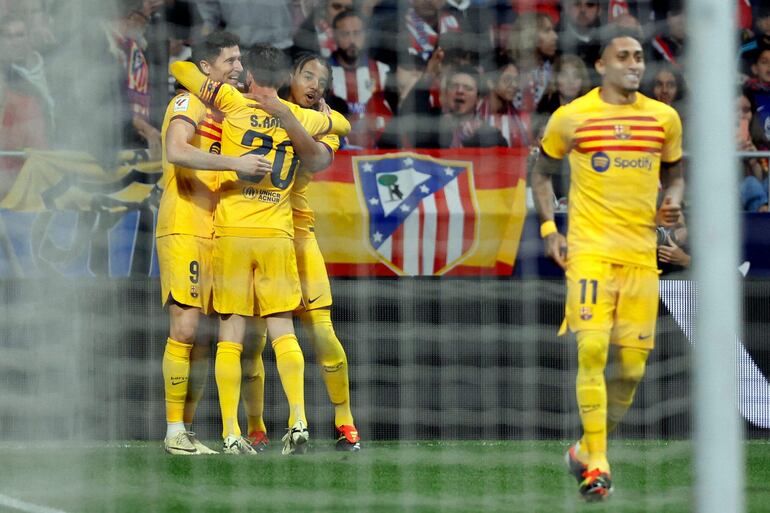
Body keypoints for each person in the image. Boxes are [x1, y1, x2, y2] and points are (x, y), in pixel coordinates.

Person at [170, 45, 351, 455]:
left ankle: (231, 432)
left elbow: (180, 68)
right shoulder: (300, 116)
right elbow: (342, 123)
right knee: (284, 331)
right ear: (285, 78)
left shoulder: (233, 102)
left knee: (230, 336)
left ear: (248, 75)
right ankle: (299, 421)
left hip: (232, 232)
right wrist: (319, 115)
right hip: (278, 234)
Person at [530, 27, 684, 500]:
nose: (635, 64)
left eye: (639, 56)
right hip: (590, 253)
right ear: (601, 65)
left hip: (640, 257)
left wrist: (673, 201)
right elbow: (541, 173)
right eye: (624, 56)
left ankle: (585, 447)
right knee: (593, 349)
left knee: (631, 371)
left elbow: (675, 173)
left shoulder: (663, 118)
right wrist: (549, 229)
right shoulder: (572, 117)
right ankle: (598, 464)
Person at [158, 31, 272, 456]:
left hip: (219, 230)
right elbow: (176, 150)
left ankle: (186, 431)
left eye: (240, 60)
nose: (238, 67)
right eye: (230, 60)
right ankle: (173, 430)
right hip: (184, 223)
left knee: (205, 338)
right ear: (206, 67)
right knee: (185, 328)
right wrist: (234, 163)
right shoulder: (188, 102)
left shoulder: (231, 111)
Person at [242, 53, 362, 452]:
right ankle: (256, 428)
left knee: (322, 331)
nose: (315, 85)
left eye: (322, 82)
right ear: (287, 76)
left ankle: (344, 421)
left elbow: (316, 158)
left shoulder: (320, 122)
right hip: (257, 230)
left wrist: (292, 116)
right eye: (307, 76)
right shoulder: (253, 106)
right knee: (254, 338)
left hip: (297, 235)